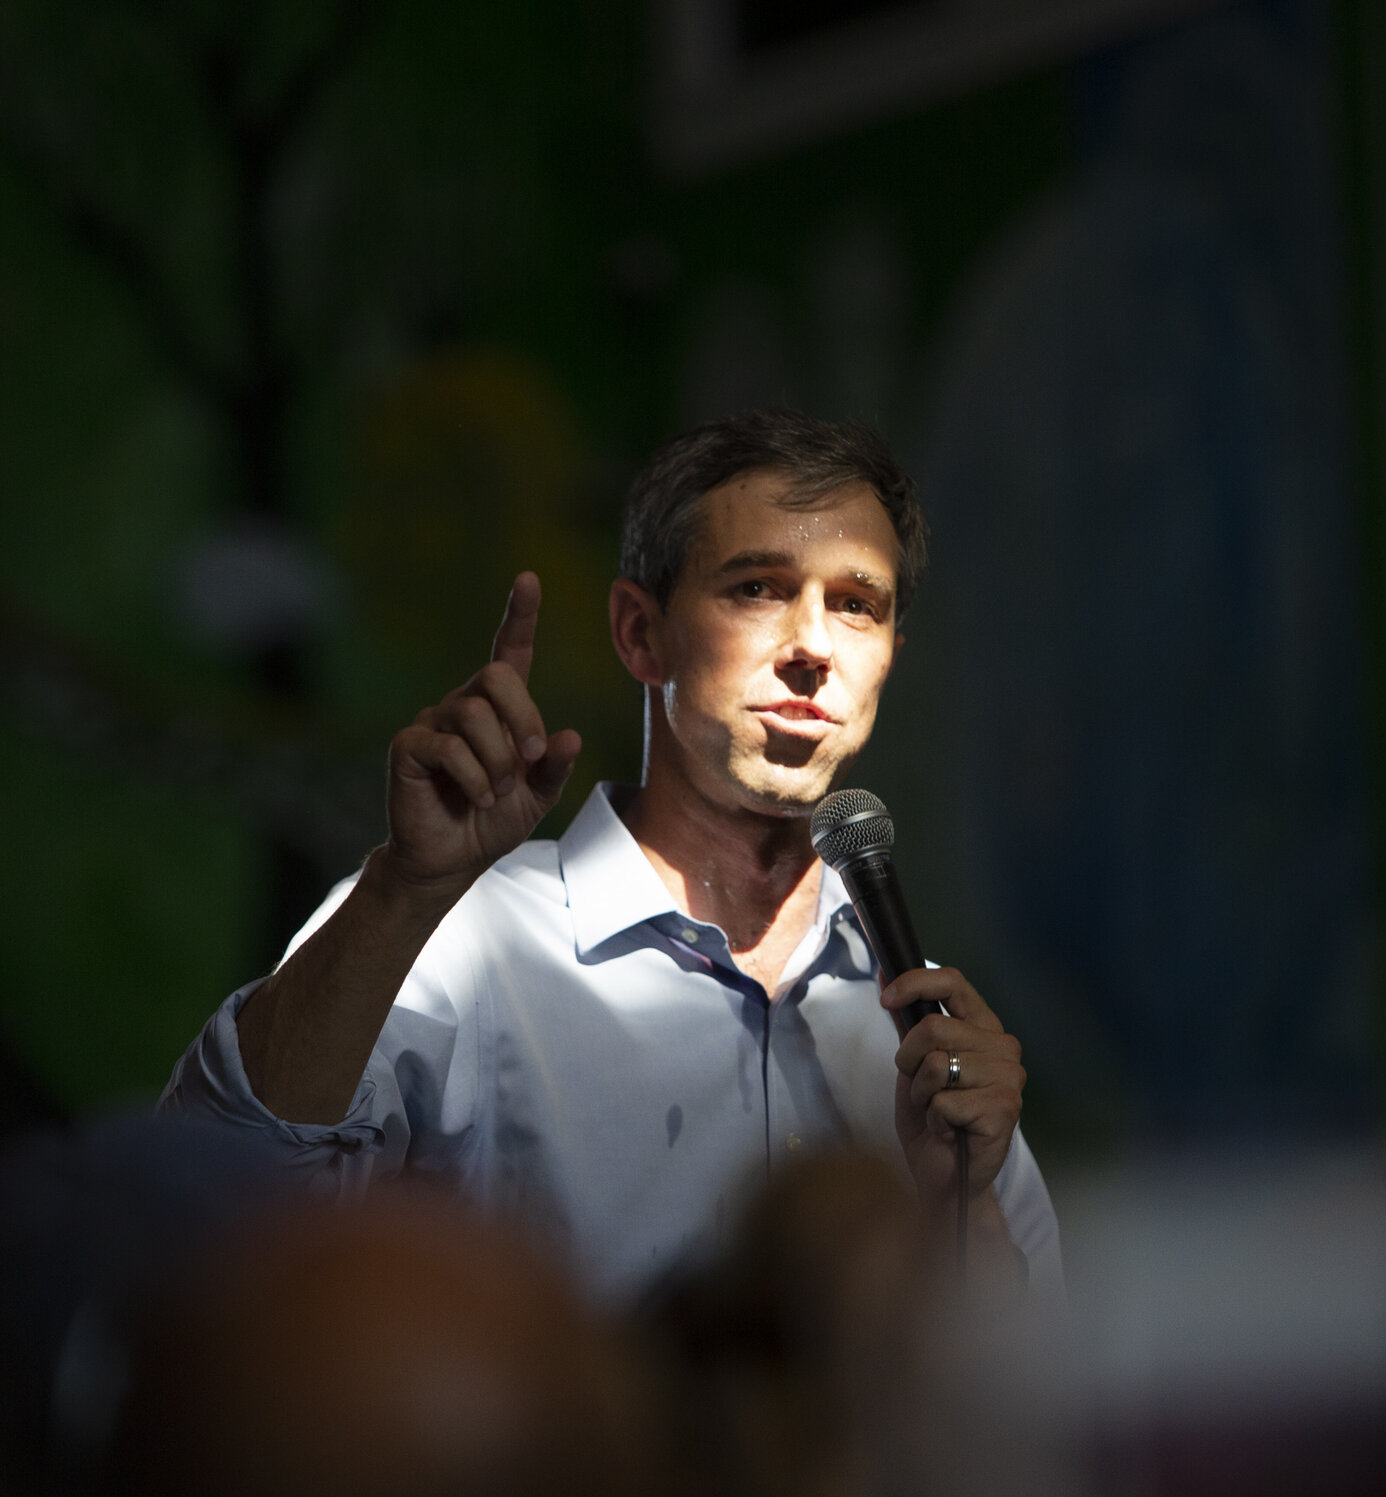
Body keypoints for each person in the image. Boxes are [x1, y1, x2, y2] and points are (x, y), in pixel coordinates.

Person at [161, 411, 1060, 1300]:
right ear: (639, 633)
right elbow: (208, 1199)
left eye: (855, 605)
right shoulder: (457, 933)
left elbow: (1031, 1412)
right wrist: (403, 889)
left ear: (889, 658)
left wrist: (968, 1206)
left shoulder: (926, 1024)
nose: (813, 648)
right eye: (757, 588)